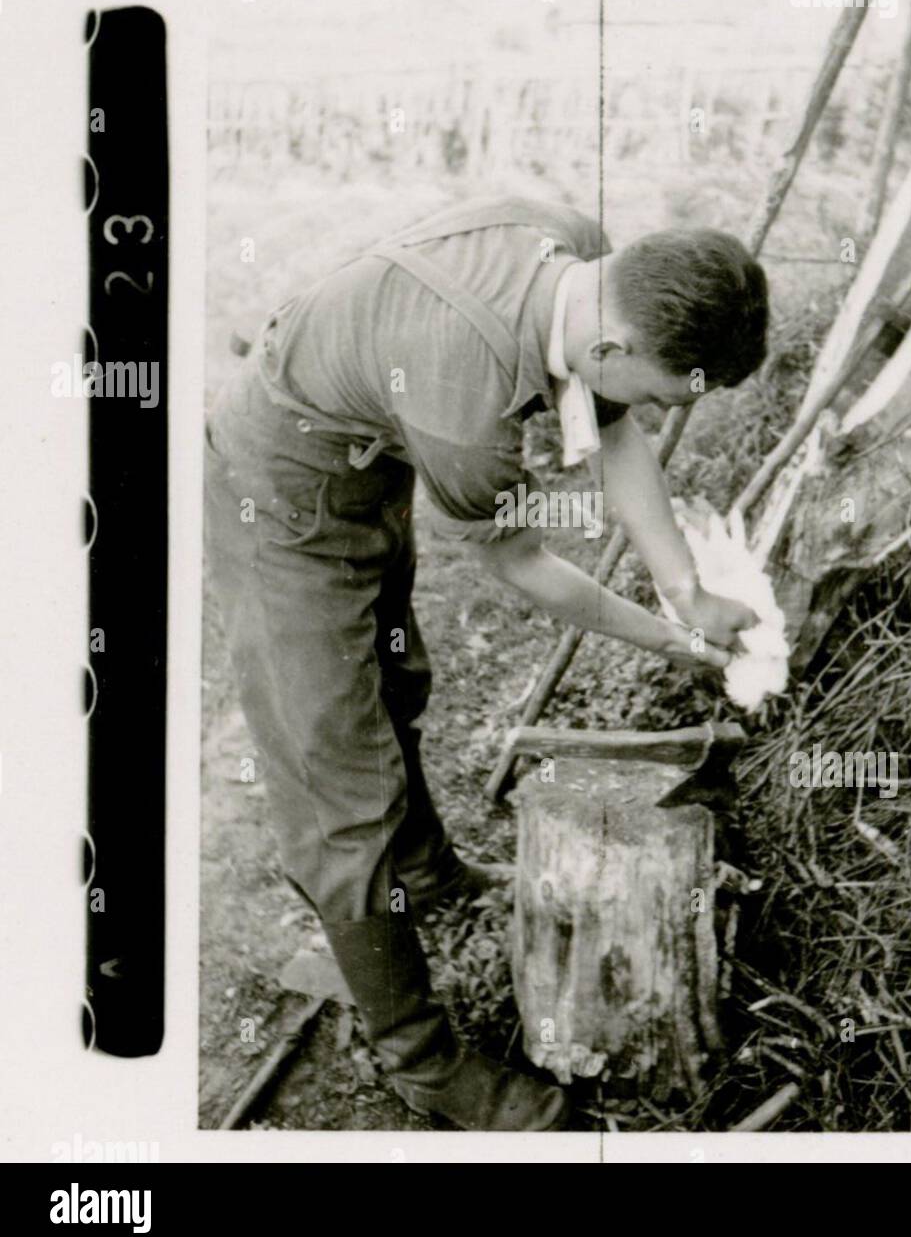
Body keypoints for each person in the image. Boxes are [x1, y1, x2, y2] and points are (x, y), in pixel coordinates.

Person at [204, 195, 768, 1130]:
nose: (667, 414)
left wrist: (689, 591)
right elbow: (519, 564)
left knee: (395, 684)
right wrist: (668, 638)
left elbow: (615, 423)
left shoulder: (581, 257)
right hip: (277, 492)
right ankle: (419, 1061)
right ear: (618, 350)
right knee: (338, 782)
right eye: (675, 393)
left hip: (370, 444)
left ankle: (425, 874)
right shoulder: (466, 412)